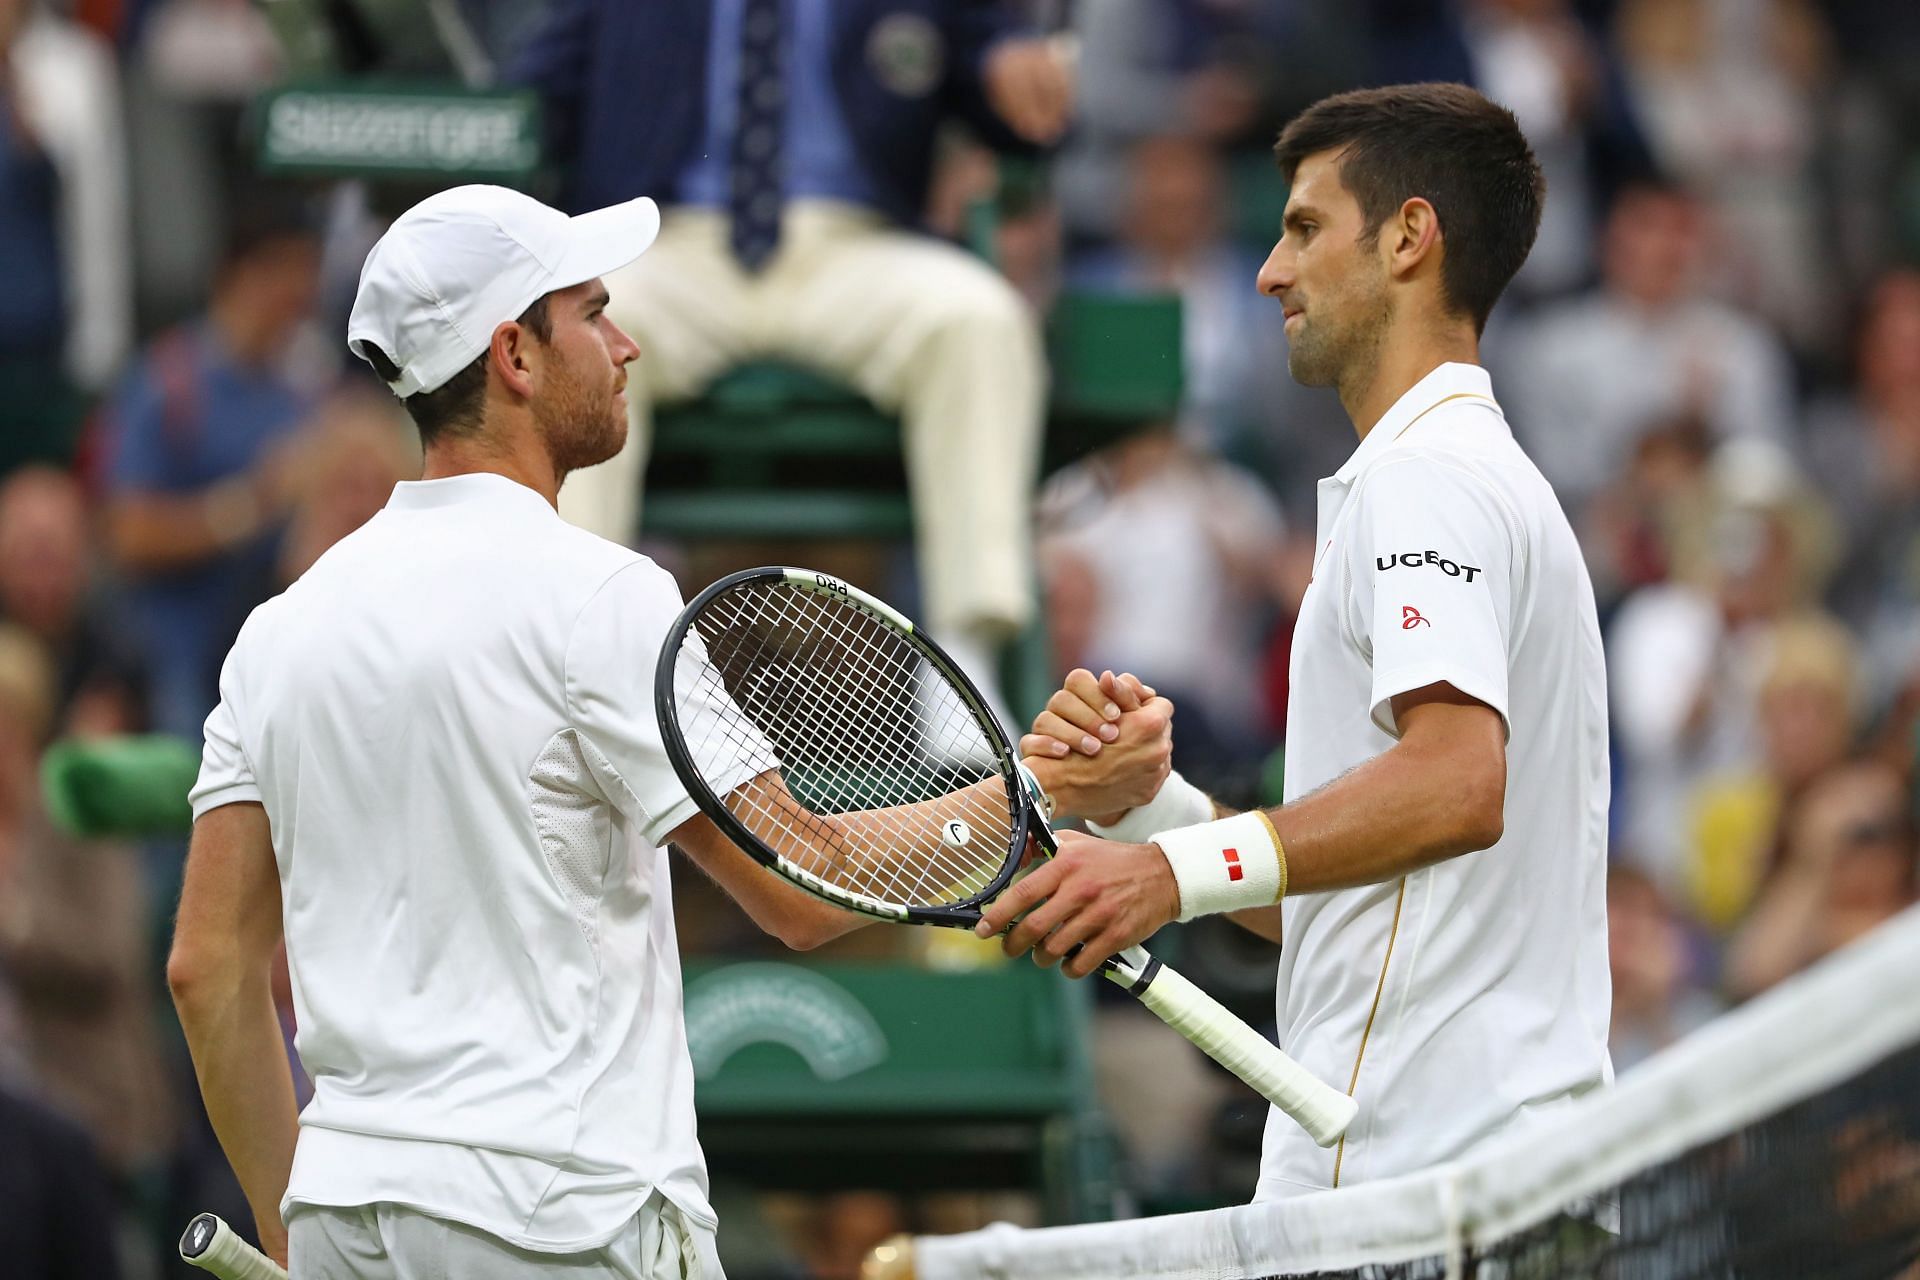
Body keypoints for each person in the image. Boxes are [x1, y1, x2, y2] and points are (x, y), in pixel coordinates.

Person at [167, 183, 1168, 1278]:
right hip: (560, 1216)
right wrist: (1039, 783)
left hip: (352, 1217)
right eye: (594, 313)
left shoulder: (279, 630)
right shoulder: (605, 596)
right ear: (515, 355)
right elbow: (804, 882)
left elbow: (207, 969)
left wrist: (291, 1226)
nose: (628, 343)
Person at [985, 83, 1613, 1198]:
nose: (1271, 269)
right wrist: (1152, 809)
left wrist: (1162, 874)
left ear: (1411, 238)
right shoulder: (1469, 476)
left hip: (1428, 1176)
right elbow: (1351, 900)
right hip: (1464, 1166)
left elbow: (1458, 784)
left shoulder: (1428, 478)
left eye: (1306, 227)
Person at [508, 1, 1074, 708]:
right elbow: (523, 108)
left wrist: (1014, 62)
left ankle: (964, 659)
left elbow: (1008, 91)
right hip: (667, 241)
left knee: (979, 322)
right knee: (569, 335)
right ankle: (570, 648)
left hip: (854, 245)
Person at [100, 193, 324, 739]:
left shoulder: (303, 390)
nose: (301, 295)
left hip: (272, 667)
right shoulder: (168, 384)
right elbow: (128, 534)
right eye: (288, 272)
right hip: (177, 670)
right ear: (242, 273)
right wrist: (251, 504)